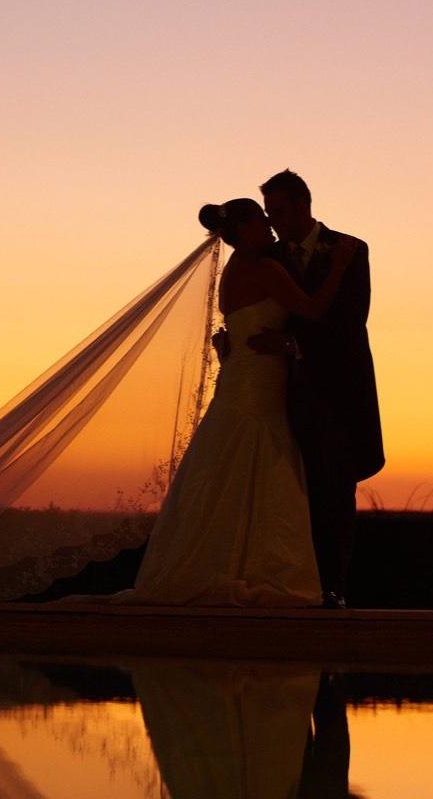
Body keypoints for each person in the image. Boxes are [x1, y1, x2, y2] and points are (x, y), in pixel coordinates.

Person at [117, 198, 352, 606]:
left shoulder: (233, 270)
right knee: (261, 466)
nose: (270, 226)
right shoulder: (263, 268)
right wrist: (339, 265)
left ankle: (223, 562)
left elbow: (236, 327)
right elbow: (313, 310)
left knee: (228, 466)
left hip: (242, 376)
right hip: (258, 383)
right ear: (242, 231)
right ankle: (257, 568)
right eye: (261, 221)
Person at [251, 170, 384, 609]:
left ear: (304, 204)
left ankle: (333, 589)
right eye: (270, 214)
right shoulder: (269, 257)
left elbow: (349, 322)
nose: (275, 221)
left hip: (341, 391)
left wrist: (290, 343)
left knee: (336, 491)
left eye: (281, 211)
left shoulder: (351, 249)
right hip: (286, 392)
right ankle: (297, 584)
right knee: (291, 492)